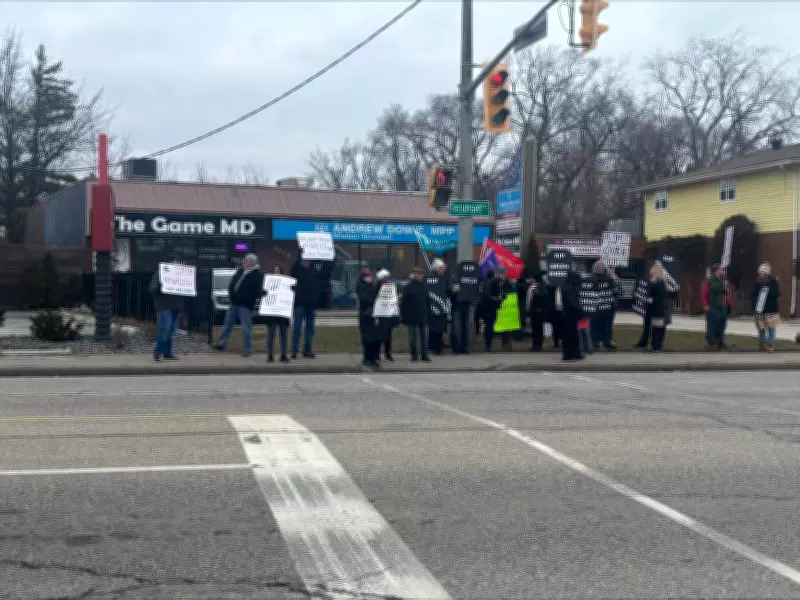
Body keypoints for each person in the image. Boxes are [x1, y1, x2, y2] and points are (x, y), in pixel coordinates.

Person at [214, 253, 263, 357]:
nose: (243, 262)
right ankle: (221, 344)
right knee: (227, 324)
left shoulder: (257, 274)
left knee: (246, 327)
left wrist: (245, 299)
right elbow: (232, 284)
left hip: (245, 305)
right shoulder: (240, 271)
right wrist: (232, 295)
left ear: (251, 262)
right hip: (234, 303)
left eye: (246, 260)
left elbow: (254, 292)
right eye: (244, 260)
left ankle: (247, 349)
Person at [149, 254, 186, 362]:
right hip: (164, 306)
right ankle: (158, 351)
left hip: (176, 306)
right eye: (176, 262)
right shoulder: (160, 273)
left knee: (171, 331)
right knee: (165, 329)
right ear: (170, 262)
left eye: (179, 262)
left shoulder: (182, 275)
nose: (178, 264)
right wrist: (162, 285)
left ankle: (167, 353)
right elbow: (152, 288)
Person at [290, 257, 319, 359]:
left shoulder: (314, 271)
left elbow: (326, 274)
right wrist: (300, 254)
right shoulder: (298, 270)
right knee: (297, 328)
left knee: (310, 329)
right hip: (300, 304)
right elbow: (293, 269)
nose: (306, 261)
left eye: (308, 260)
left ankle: (307, 350)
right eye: (305, 260)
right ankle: (294, 350)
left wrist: (332, 261)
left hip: (311, 305)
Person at [401, 266, 430, 362]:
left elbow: (428, 301)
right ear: (413, 275)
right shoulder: (408, 287)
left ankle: (424, 355)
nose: (418, 276)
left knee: (424, 337)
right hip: (411, 316)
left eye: (420, 274)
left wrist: (428, 312)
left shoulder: (425, 286)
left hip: (423, 315)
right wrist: (404, 316)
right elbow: (404, 303)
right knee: (413, 337)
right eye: (416, 274)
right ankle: (414, 355)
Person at [701, 262, 732, 350]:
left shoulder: (725, 281)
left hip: (723, 306)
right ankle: (711, 343)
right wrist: (705, 304)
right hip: (713, 306)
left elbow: (728, 293)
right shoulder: (709, 281)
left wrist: (729, 304)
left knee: (722, 325)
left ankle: (720, 342)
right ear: (716, 271)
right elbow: (704, 293)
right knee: (712, 325)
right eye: (721, 270)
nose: (723, 271)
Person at [264, 265, 290, 363]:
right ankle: (270, 355)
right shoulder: (268, 283)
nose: (276, 272)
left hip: (282, 313)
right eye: (274, 270)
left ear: (281, 271)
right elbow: (262, 294)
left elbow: (289, 296)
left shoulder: (286, 283)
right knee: (271, 335)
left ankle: (283, 354)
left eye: (278, 270)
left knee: (283, 335)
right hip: (272, 313)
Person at [751, 262, 780, 351]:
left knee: (771, 326)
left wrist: (765, 293)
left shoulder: (773, 282)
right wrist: (755, 304)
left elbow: (775, 294)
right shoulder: (757, 283)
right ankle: (762, 343)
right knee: (761, 327)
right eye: (759, 273)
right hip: (759, 309)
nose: (760, 274)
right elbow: (753, 294)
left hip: (770, 308)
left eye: (762, 273)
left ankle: (771, 343)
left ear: (766, 273)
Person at [356, 267, 381, 367]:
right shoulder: (360, 286)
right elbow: (364, 299)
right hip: (365, 315)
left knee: (375, 337)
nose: (368, 277)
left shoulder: (374, 285)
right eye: (366, 276)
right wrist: (374, 300)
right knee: (366, 338)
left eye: (369, 275)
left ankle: (374, 357)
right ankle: (367, 357)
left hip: (374, 314)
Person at [590, 261, 617, 350]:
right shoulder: (591, 279)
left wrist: (613, 275)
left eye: (602, 266)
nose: (600, 267)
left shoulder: (610, 279)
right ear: (595, 268)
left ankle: (607, 341)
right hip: (595, 307)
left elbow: (616, 290)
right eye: (598, 266)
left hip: (608, 307)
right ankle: (595, 341)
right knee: (595, 324)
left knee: (607, 325)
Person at [427, 258, 451, 355]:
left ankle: (439, 346)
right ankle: (433, 346)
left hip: (443, 308)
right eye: (440, 268)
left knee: (441, 329)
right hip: (432, 308)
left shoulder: (445, 279)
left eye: (443, 268)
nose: (442, 269)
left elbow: (448, 291)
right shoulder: (429, 278)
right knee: (433, 329)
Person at [560, 270, 584, 361]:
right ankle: (572, 354)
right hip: (570, 315)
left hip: (566, 315)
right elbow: (573, 303)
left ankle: (571, 354)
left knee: (569, 336)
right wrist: (580, 311)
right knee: (572, 336)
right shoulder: (570, 289)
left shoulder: (565, 287)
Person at [478, 269, 504, 351]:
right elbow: (494, 294)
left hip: (483, 307)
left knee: (486, 326)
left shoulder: (482, 283)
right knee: (490, 326)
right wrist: (498, 300)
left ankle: (487, 344)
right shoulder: (494, 282)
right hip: (491, 307)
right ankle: (488, 345)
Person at [375, 269, 398, 361]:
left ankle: (387, 353)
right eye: (385, 278)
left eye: (387, 277)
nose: (387, 279)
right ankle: (377, 354)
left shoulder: (390, 287)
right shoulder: (377, 287)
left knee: (388, 336)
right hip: (381, 314)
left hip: (389, 314)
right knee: (380, 335)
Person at [647, 263, 669, 352]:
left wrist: (652, 299)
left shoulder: (659, 283)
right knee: (658, 327)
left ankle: (656, 346)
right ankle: (656, 345)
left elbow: (660, 296)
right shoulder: (661, 283)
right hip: (659, 308)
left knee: (657, 328)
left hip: (657, 308)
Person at [526, 272, 549, 351]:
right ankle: (540, 345)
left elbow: (529, 300)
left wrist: (528, 310)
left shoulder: (533, 287)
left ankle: (535, 345)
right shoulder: (544, 286)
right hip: (542, 311)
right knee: (540, 328)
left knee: (535, 329)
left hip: (534, 311)